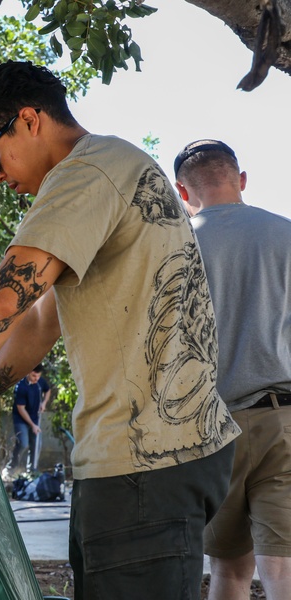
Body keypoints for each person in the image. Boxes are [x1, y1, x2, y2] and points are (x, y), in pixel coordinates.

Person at [0, 61, 239, 600]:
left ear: (29, 121)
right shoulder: (113, 165)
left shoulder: (85, 173)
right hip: (150, 457)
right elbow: (40, 319)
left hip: (143, 467)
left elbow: (2, 299)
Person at [174, 139, 291, 600]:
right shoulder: (286, 233)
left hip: (212, 427)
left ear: (183, 193)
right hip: (283, 418)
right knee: (281, 565)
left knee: (227, 568)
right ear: (241, 180)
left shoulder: (177, 245)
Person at [3, 364, 47, 478]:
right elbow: (21, 409)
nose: (36, 379)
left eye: (38, 376)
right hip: (21, 419)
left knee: (35, 445)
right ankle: (10, 469)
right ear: (28, 372)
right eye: (33, 376)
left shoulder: (39, 382)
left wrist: (44, 403)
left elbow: (48, 390)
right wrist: (32, 425)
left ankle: (31, 471)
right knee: (23, 443)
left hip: (35, 418)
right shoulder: (21, 387)